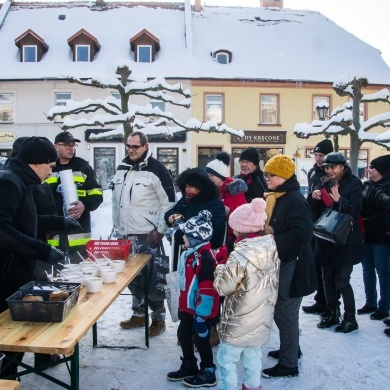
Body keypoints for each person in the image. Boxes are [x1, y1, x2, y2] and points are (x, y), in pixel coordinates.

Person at [0, 137, 66, 378]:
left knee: (14, 334)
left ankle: (9, 376)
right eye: (50, 165)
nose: (51, 171)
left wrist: (60, 222)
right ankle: (6, 379)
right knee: (6, 333)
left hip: (16, 271)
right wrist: (42, 250)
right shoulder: (7, 182)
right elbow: (2, 229)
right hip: (5, 273)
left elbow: (26, 219)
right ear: (37, 163)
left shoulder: (21, 180)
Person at [111, 131, 176, 336]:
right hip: (125, 234)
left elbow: (169, 201)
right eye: (128, 146)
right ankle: (138, 314)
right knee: (132, 278)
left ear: (145, 147)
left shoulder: (157, 169)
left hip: (148, 235)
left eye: (135, 147)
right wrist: (117, 228)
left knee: (154, 279)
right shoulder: (122, 167)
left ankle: (158, 319)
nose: (131, 150)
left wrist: (160, 229)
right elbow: (116, 201)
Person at [214, 198, 280, 390]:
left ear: (241, 229)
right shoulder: (270, 248)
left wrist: (219, 268)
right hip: (261, 316)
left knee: (227, 359)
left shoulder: (240, 254)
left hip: (239, 318)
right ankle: (252, 386)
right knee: (253, 356)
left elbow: (224, 287)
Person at [261, 154, 316, 379]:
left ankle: (289, 364)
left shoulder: (293, 199)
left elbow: (302, 233)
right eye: (265, 174)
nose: (266, 178)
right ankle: (291, 349)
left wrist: (273, 240)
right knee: (283, 313)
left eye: (270, 174)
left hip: (294, 268)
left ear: (283, 176)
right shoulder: (279, 196)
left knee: (285, 313)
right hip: (285, 265)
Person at [309, 152, 364, 334]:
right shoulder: (323, 181)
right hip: (325, 238)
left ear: (342, 167)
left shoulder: (354, 183)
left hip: (345, 240)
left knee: (342, 281)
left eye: (333, 167)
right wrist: (313, 196)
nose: (329, 171)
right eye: (327, 167)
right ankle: (331, 312)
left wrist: (341, 201)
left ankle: (350, 319)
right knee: (326, 279)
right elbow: (315, 210)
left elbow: (356, 210)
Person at [166, 210, 220, 388]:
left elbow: (207, 290)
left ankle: (208, 371)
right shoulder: (190, 254)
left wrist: (201, 316)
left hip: (200, 311)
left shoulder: (204, 259)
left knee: (201, 340)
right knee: (183, 334)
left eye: (186, 235)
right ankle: (189, 364)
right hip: (189, 307)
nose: (183, 238)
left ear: (196, 238)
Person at [46, 131, 103, 261]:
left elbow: (98, 194)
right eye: (66, 145)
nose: (71, 148)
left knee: (80, 271)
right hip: (53, 231)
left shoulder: (83, 167)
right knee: (54, 271)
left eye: (73, 145)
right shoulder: (48, 167)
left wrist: (84, 205)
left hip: (78, 232)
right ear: (55, 147)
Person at [165, 167, 226, 271]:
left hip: (205, 257)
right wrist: (171, 217)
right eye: (185, 186)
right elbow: (171, 212)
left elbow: (210, 231)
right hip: (184, 255)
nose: (187, 189)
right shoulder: (187, 199)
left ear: (202, 186)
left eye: (191, 186)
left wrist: (180, 234)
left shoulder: (215, 204)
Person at [302, 139, 334, 315]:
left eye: (321, 155)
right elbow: (309, 196)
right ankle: (320, 300)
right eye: (315, 155)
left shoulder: (332, 173)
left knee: (326, 266)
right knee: (316, 264)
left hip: (328, 224)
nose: (318, 158)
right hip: (314, 221)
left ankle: (330, 304)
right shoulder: (313, 172)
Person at [358, 155, 390, 324]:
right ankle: (370, 302)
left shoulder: (386, 187)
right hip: (367, 234)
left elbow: (386, 213)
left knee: (383, 271)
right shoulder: (368, 185)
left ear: (382, 171)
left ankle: (384, 306)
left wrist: (369, 221)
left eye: (373, 167)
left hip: (382, 236)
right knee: (367, 268)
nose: (369, 170)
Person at [205, 151, 248, 254]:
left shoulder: (235, 190)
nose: (208, 179)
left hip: (230, 239)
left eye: (211, 176)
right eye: (207, 175)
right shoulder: (207, 191)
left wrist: (229, 211)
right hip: (211, 237)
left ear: (220, 177)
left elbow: (244, 212)